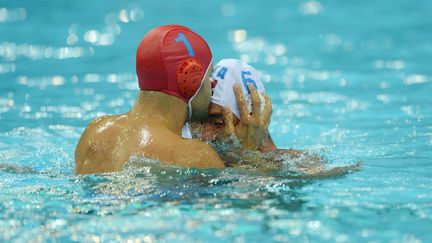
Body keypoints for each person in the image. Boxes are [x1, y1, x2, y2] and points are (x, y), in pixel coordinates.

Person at [74, 25, 225, 174]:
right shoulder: (196, 156)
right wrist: (247, 150)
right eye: (209, 76)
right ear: (190, 78)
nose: (212, 84)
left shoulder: (95, 133)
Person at [190, 59, 361, 175]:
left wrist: (247, 155)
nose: (205, 134)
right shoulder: (197, 156)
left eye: (218, 123)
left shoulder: (303, 164)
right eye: (199, 121)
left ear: (252, 118)